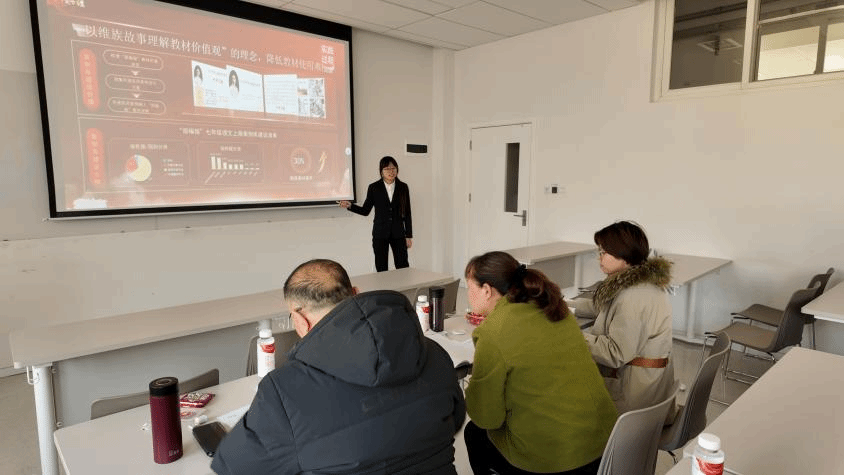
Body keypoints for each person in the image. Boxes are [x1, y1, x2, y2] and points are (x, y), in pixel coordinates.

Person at [211, 259, 465, 474]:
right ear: (355, 293)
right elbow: (454, 421)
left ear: (299, 319)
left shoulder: (282, 392)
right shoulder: (432, 353)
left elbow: (233, 467)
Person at [463, 251, 617, 475]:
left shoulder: (493, 331)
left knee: (474, 433)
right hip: (603, 447)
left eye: (469, 287)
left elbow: (487, 418)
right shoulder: (554, 308)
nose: (468, 295)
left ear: (487, 290)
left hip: (556, 461)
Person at [569, 220, 676, 415]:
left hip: (633, 399)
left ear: (624, 255)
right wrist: (564, 305)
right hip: (645, 384)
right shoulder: (638, 283)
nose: (599, 257)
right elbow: (604, 307)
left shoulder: (634, 296)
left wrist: (569, 335)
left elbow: (614, 353)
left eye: (604, 252)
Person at [339, 156, 412, 272]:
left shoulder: (403, 187)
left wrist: (408, 236)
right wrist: (350, 206)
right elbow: (365, 210)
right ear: (381, 171)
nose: (391, 171)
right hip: (380, 233)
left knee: (403, 266)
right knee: (381, 267)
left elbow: (407, 212)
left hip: (398, 234)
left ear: (397, 169)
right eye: (387, 169)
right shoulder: (374, 188)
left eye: (393, 168)